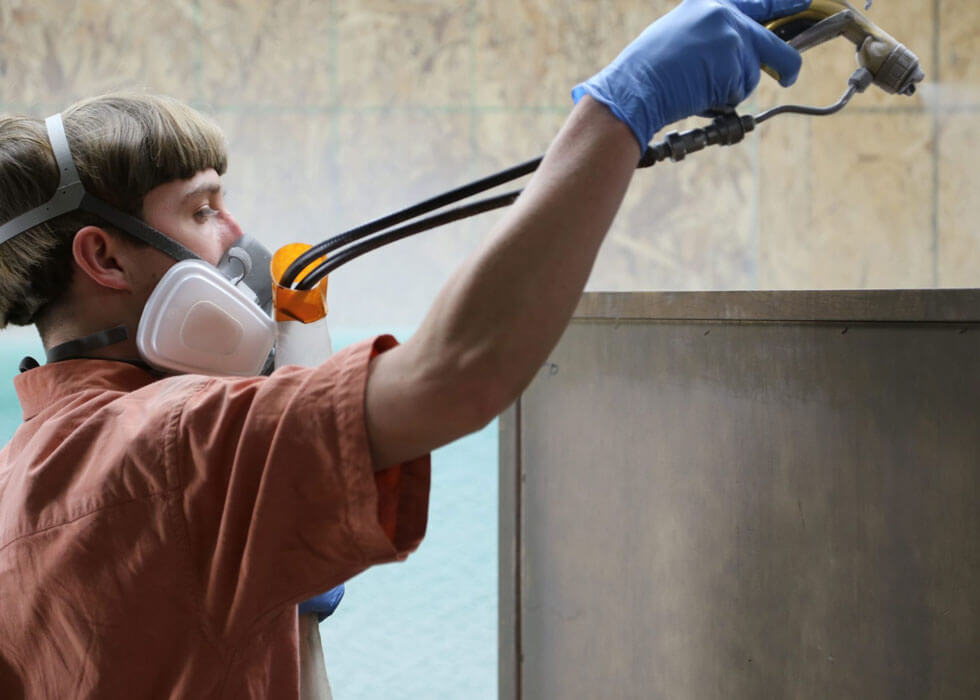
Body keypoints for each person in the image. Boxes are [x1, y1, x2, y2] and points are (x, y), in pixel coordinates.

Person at [0, 0, 810, 696]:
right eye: (204, 209)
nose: (239, 236)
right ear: (104, 258)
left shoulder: (29, 470)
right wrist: (620, 112)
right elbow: (458, 370)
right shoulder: (173, 444)